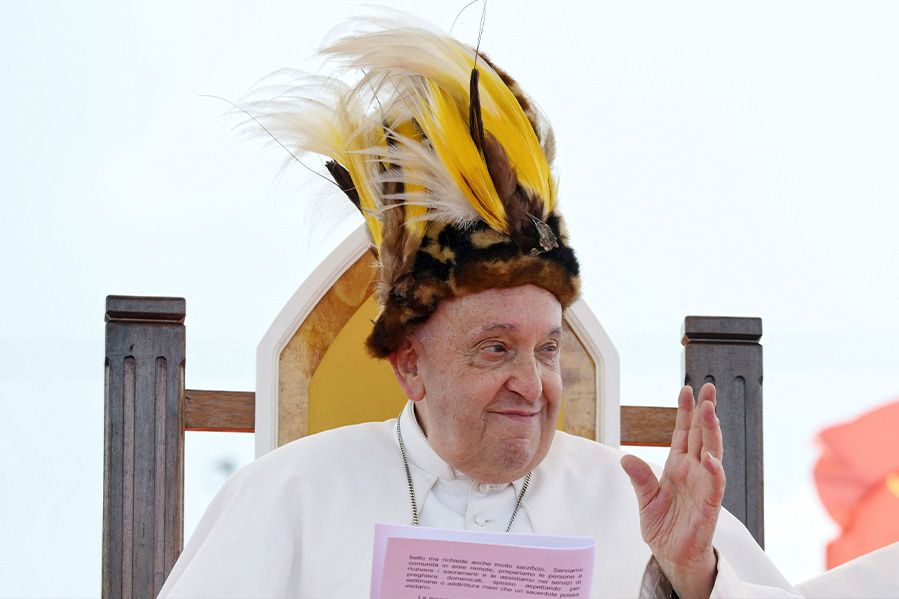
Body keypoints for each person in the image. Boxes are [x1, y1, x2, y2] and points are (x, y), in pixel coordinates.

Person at [159, 18, 802, 599]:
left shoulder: (638, 509)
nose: (532, 384)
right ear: (410, 364)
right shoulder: (287, 496)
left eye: (546, 349)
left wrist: (695, 579)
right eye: (496, 347)